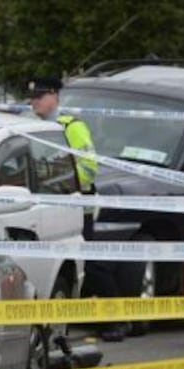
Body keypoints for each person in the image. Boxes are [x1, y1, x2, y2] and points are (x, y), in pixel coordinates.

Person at [26, 77, 127, 341]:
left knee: (91, 264)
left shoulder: (72, 127)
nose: (34, 101)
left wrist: (62, 186)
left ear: (54, 96)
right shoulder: (29, 126)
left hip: (76, 204)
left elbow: (88, 168)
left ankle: (117, 320)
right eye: (32, 97)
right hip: (46, 205)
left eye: (39, 96)